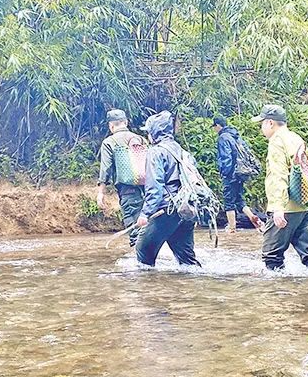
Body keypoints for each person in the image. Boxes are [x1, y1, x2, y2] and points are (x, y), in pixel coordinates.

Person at [252, 104, 308, 271]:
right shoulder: (296, 137)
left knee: (272, 254)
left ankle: (279, 294)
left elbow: (278, 175)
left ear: (270, 123)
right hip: (306, 205)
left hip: (287, 208)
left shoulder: (276, 141)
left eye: (262, 123)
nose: (261, 128)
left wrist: (278, 208)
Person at [134, 111, 201, 267]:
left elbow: (154, 187)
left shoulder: (155, 152)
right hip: (186, 210)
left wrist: (145, 213)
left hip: (166, 210)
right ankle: (193, 287)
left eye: (149, 132)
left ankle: (151, 288)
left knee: (143, 251)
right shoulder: (184, 152)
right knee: (187, 261)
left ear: (154, 133)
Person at [97, 109, 146, 247]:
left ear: (110, 126)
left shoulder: (109, 142)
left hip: (128, 193)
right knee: (149, 228)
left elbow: (105, 169)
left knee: (135, 232)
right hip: (149, 192)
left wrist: (101, 193)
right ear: (126, 122)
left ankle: (142, 266)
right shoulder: (141, 139)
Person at [213, 115, 263, 233]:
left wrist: (225, 173)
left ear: (218, 126)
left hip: (231, 174)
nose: (214, 129)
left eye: (214, 127)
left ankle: (231, 229)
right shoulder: (236, 136)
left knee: (228, 201)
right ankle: (254, 218)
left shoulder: (223, 138)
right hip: (241, 173)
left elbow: (226, 157)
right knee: (239, 200)